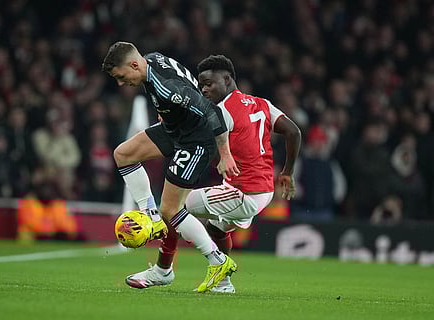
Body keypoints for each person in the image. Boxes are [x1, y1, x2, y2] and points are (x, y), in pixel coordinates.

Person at [125, 55, 301, 293]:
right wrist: (287, 172)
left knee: (173, 208)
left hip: (243, 191)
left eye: (209, 83)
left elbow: (196, 134)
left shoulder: (221, 111)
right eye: (201, 85)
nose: (204, 89)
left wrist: (170, 119)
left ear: (227, 79)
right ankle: (224, 284)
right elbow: (293, 131)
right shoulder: (261, 103)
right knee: (217, 228)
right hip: (263, 189)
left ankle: (163, 270)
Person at [101, 42, 240, 293]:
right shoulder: (152, 60)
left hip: (196, 140)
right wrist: (167, 112)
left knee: (171, 209)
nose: (121, 84)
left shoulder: (168, 88)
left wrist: (225, 154)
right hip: (174, 129)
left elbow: (211, 114)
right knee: (123, 154)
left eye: (121, 77)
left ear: (134, 65)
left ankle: (216, 260)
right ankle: (150, 217)